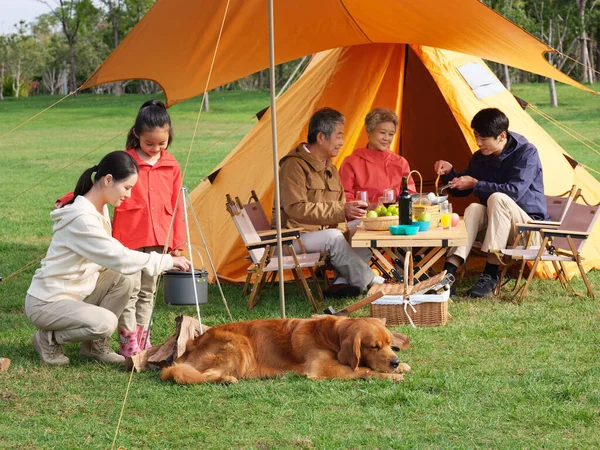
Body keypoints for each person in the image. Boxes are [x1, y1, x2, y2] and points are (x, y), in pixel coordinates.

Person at [25, 151, 192, 366]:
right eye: (127, 188)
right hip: (47, 302)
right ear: (108, 180)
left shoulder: (100, 207)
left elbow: (117, 259)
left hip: (76, 292)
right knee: (106, 322)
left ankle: (94, 347)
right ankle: (47, 339)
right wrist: (167, 261)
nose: (129, 195)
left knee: (127, 278)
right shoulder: (82, 219)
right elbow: (118, 257)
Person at [434, 108, 548, 298]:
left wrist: (476, 183)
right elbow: (464, 189)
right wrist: (451, 173)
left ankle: (490, 273)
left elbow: (515, 192)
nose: (478, 143)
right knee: (475, 208)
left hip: (529, 231)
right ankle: (449, 274)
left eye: (483, 138)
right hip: (498, 228)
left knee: (498, 198)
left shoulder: (527, 153)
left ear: (502, 136)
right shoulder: (481, 157)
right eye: (476, 136)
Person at [276, 107, 385, 298]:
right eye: (339, 136)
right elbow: (296, 209)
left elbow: (339, 211)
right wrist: (342, 212)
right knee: (333, 237)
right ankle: (370, 281)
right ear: (321, 137)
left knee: (364, 225)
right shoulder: (293, 166)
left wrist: (349, 227)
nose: (342, 142)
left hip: (322, 233)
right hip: (293, 237)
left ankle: (343, 282)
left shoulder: (330, 168)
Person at [111, 100, 186, 357]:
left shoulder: (172, 164)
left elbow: (178, 204)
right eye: (149, 143)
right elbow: (98, 183)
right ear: (137, 135)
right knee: (128, 291)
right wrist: (69, 198)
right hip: (129, 237)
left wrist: (178, 242)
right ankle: (128, 342)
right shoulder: (124, 161)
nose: (155, 149)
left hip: (159, 237)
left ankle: (144, 340)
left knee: (148, 291)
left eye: (161, 144)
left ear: (169, 137)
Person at [340, 107, 416, 213]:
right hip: (361, 218)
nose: (386, 138)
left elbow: (410, 194)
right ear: (368, 131)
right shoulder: (351, 162)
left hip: (394, 218)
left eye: (391, 134)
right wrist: (369, 208)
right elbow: (344, 197)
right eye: (382, 132)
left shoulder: (401, 163)